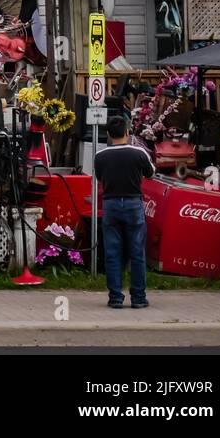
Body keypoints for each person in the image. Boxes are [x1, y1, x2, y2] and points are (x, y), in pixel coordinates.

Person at [94, 114, 155, 309]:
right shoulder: (138, 153)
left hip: (111, 204)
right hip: (133, 204)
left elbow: (100, 178)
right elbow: (151, 172)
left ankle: (115, 297)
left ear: (109, 135)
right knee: (137, 252)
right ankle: (138, 297)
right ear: (127, 132)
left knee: (112, 252)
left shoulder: (100, 156)